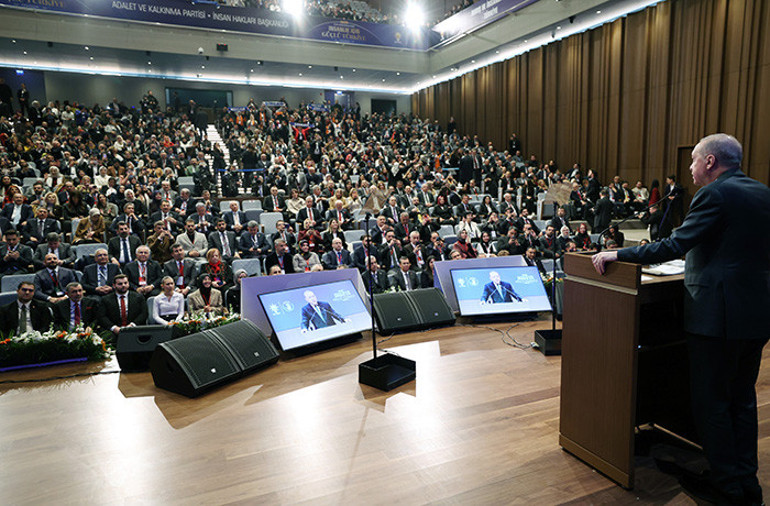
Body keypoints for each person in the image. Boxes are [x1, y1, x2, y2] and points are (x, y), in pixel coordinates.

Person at [592, 134, 770, 505]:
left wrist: (618, 253)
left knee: (713, 403)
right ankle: (747, 482)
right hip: (754, 315)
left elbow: (673, 245)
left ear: (709, 162)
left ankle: (726, 488)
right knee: (742, 400)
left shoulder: (714, 194)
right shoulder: (761, 192)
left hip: (716, 318)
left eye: (693, 161)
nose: (688, 169)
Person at [97, 274, 148, 340]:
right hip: (114, 330)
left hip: (134, 327)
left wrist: (132, 325)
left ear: (128, 284)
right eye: (120, 284)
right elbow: (102, 316)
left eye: (125, 283)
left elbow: (144, 314)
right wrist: (114, 328)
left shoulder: (138, 297)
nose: (123, 285)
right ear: (114, 286)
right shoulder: (105, 299)